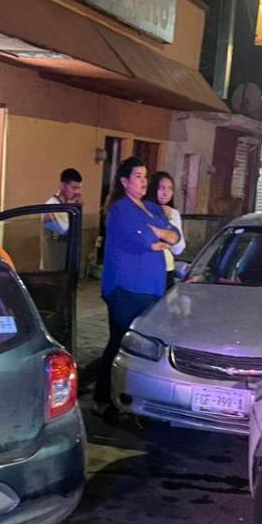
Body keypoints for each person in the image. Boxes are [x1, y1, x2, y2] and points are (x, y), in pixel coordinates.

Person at [93, 157, 179, 415]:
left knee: (144, 347)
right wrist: (157, 235)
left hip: (151, 289)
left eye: (145, 176)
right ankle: (103, 397)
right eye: (138, 176)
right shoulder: (120, 209)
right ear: (124, 181)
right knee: (121, 342)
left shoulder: (151, 208)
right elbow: (143, 239)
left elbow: (174, 236)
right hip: (126, 289)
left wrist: (159, 234)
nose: (144, 181)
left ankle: (131, 397)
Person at [147, 171, 186, 290]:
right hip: (147, 269)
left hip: (167, 268)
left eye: (170, 189)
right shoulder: (144, 210)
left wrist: (170, 221)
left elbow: (178, 249)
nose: (166, 193)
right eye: (162, 188)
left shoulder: (173, 213)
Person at [41, 167, 83, 271]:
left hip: (63, 265)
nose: (77, 192)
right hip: (53, 267)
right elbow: (65, 233)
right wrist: (78, 208)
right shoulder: (52, 206)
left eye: (78, 188)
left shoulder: (64, 207)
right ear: (63, 185)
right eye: (73, 188)